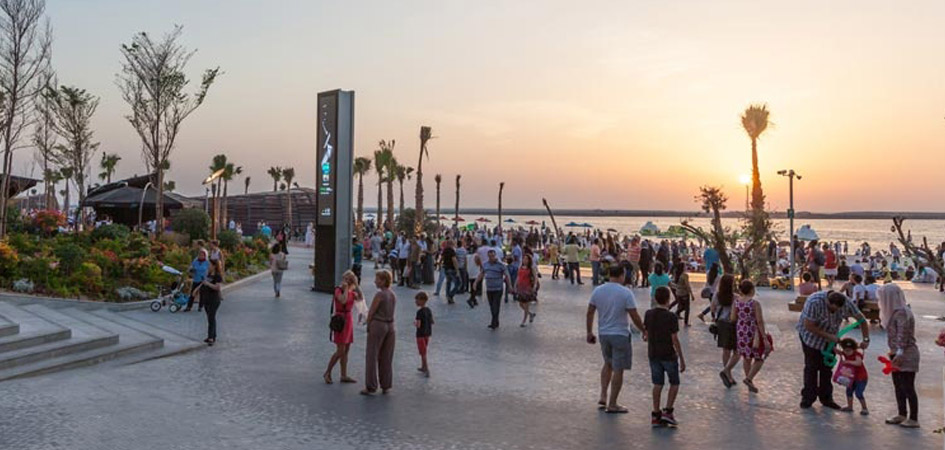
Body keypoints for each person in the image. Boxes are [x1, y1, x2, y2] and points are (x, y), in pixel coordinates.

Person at [586, 265, 645, 414]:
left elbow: (590, 312)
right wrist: (645, 330)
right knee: (619, 369)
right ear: (621, 275)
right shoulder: (626, 293)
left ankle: (603, 395)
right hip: (620, 334)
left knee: (607, 363)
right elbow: (634, 315)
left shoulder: (598, 290)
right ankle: (613, 403)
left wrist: (589, 332)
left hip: (604, 333)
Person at [797, 290, 870, 410]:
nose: (834, 312)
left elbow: (861, 319)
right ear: (827, 302)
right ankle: (808, 398)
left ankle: (826, 398)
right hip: (810, 337)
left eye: (837, 310)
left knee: (826, 368)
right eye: (832, 309)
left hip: (831, 339)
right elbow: (808, 325)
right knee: (812, 367)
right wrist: (829, 336)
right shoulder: (814, 302)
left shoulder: (846, 303)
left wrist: (866, 339)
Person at [878, 284, 920, 428]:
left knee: (908, 386)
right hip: (896, 353)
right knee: (898, 386)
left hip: (906, 354)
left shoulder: (902, 312)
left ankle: (913, 418)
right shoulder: (897, 312)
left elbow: (903, 334)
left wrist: (900, 352)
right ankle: (902, 413)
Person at [645, 286, 685, 427]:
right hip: (668, 354)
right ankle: (668, 411)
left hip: (653, 353)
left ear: (655, 298)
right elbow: (674, 338)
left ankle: (655, 413)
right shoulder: (671, 317)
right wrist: (681, 357)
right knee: (674, 382)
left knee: (657, 384)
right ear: (669, 299)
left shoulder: (648, 314)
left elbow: (647, 333)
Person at [724, 280, 769, 393]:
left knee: (746, 357)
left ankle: (749, 380)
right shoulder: (754, 304)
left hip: (741, 331)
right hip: (753, 333)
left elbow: (733, 318)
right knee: (759, 356)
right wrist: (764, 336)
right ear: (751, 290)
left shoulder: (736, 302)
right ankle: (749, 379)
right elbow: (759, 321)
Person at [362, 270, 397, 395]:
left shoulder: (380, 295)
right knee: (386, 356)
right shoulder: (392, 294)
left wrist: (368, 325)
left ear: (382, 281)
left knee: (372, 355)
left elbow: (371, 312)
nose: (375, 281)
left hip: (379, 324)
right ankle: (386, 384)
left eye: (377, 279)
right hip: (391, 326)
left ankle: (371, 385)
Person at [324, 271, 362, 384]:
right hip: (340, 320)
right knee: (340, 350)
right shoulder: (338, 290)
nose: (347, 281)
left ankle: (343, 375)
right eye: (346, 278)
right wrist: (345, 289)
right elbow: (343, 300)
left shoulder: (352, 291)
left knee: (346, 350)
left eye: (350, 279)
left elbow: (360, 298)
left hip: (348, 319)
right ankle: (328, 372)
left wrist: (356, 285)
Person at [712, 274, 738, 387]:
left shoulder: (717, 296)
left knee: (725, 350)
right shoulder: (735, 297)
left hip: (721, 324)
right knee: (737, 351)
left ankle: (728, 373)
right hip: (733, 324)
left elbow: (712, 308)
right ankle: (727, 371)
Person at [476, 249, 513, 329]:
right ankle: (495, 321)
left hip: (498, 289)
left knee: (495, 305)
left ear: (495, 255)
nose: (491, 258)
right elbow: (481, 274)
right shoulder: (485, 264)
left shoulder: (501, 265)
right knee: (491, 305)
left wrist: (509, 285)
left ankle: (494, 322)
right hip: (489, 289)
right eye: (490, 256)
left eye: (492, 256)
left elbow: (507, 275)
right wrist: (476, 282)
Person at [836, 338, 869, 415]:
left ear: (853, 349)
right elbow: (836, 350)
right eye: (845, 350)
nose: (847, 353)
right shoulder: (844, 353)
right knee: (849, 391)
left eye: (849, 350)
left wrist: (848, 361)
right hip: (851, 377)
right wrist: (836, 342)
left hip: (861, 378)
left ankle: (864, 408)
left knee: (859, 393)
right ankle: (850, 406)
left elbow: (858, 363)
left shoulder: (857, 354)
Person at [200, 260, 224, 346]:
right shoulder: (208, 275)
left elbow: (217, 287)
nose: (208, 267)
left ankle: (211, 337)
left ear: (214, 266)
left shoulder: (217, 276)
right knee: (210, 318)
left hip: (214, 299)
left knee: (211, 317)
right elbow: (203, 284)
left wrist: (208, 284)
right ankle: (213, 335)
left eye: (209, 265)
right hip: (207, 299)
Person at [515, 253, 539, 327]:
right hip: (520, 288)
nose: (524, 260)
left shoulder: (531, 268)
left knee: (526, 305)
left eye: (526, 259)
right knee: (521, 304)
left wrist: (534, 286)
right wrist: (515, 285)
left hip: (527, 288)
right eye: (524, 259)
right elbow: (518, 277)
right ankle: (530, 314)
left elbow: (535, 278)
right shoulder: (521, 268)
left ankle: (524, 321)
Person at [414, 291, 434, 377]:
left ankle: (426, 368)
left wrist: (414, 324)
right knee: (424, 350)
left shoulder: (419, 312)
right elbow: (432, 322)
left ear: (422, 300)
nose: (416, 302)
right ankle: (423, 366)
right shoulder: (429, 310)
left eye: (417, 300)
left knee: (423, 353)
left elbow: (418, 325)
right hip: (427, 334)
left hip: (420, 334)